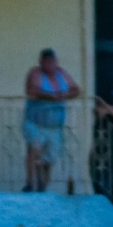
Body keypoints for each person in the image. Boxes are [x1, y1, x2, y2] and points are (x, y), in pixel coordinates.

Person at [23, 48, 80, 192]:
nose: (49, 64)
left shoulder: (61, 73)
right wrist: (52, 96)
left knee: (48, 160)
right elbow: (32, 90)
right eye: (46, 61)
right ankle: (30, 184)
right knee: (34, 149)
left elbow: (76, 90)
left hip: (55, 127)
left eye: (51, 61)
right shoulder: (36, 73)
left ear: (56, 62)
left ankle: (42, 188)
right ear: (41, 62)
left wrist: (64, 94)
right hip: (35, 123)